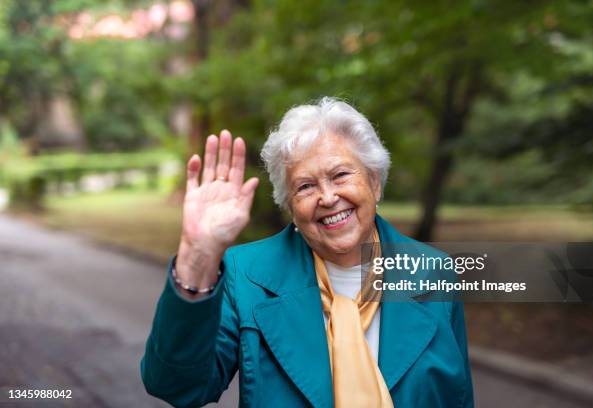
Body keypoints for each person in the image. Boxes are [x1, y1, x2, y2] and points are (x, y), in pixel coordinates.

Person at [140, 97, 474, 408]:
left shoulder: (435, 270)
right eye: (305, 186)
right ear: (290, 206)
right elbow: (177, 385)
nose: (327, 197)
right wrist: (198, 256)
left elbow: (458, 396)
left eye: (341, 174)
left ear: (374, 181)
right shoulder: (246, 275)